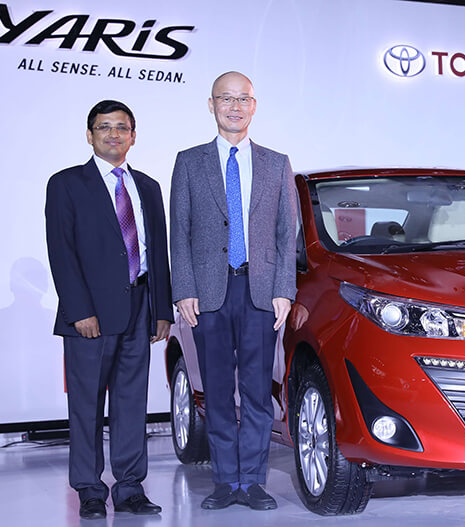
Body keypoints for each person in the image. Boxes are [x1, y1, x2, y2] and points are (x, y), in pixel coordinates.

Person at [170, 71, 297, 511]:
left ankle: (253, 481)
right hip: (208, 295)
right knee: (219, 391)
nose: (235, 106)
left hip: (261, 292)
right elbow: (179, 231)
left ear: (254, 105)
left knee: (259, 392)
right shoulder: (189, 161)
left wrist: (284, 288)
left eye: (243, 98)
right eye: (226, 98)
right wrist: (184, 287)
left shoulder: (276, 162)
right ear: (212, 105)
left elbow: (287, 232)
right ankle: (226, 481)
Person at [45, 100, 173, 519]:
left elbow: (158, 251)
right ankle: (89, 488)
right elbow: (61, 251)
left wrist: (162, 309)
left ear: (133, 136)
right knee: (85, 405)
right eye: (104, 127)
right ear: (90, 135)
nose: (113, 134)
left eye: (122, 127)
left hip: (140, 306)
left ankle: (130, 487)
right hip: (90, 315)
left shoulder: (149, 187)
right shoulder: (66, 184)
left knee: (132, 402)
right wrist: (80, 309)